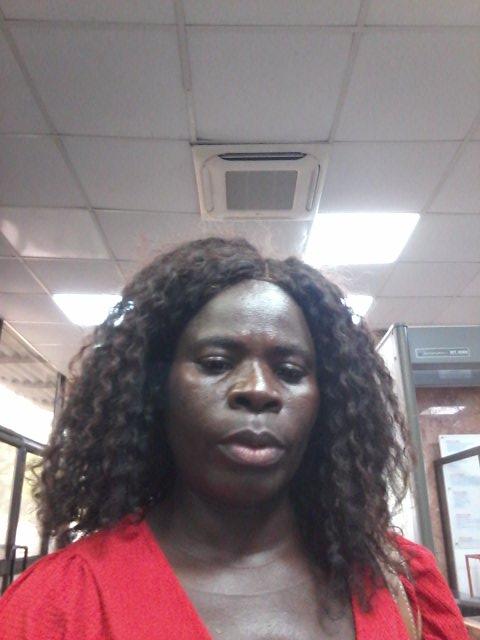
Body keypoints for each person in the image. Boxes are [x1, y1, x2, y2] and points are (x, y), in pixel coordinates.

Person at [0, 237, 468, 639]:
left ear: (326, 404)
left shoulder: (405, 582)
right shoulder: (55, 606)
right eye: (217, 363)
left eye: (290, 371)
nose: (259, 390)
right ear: (155, 390)